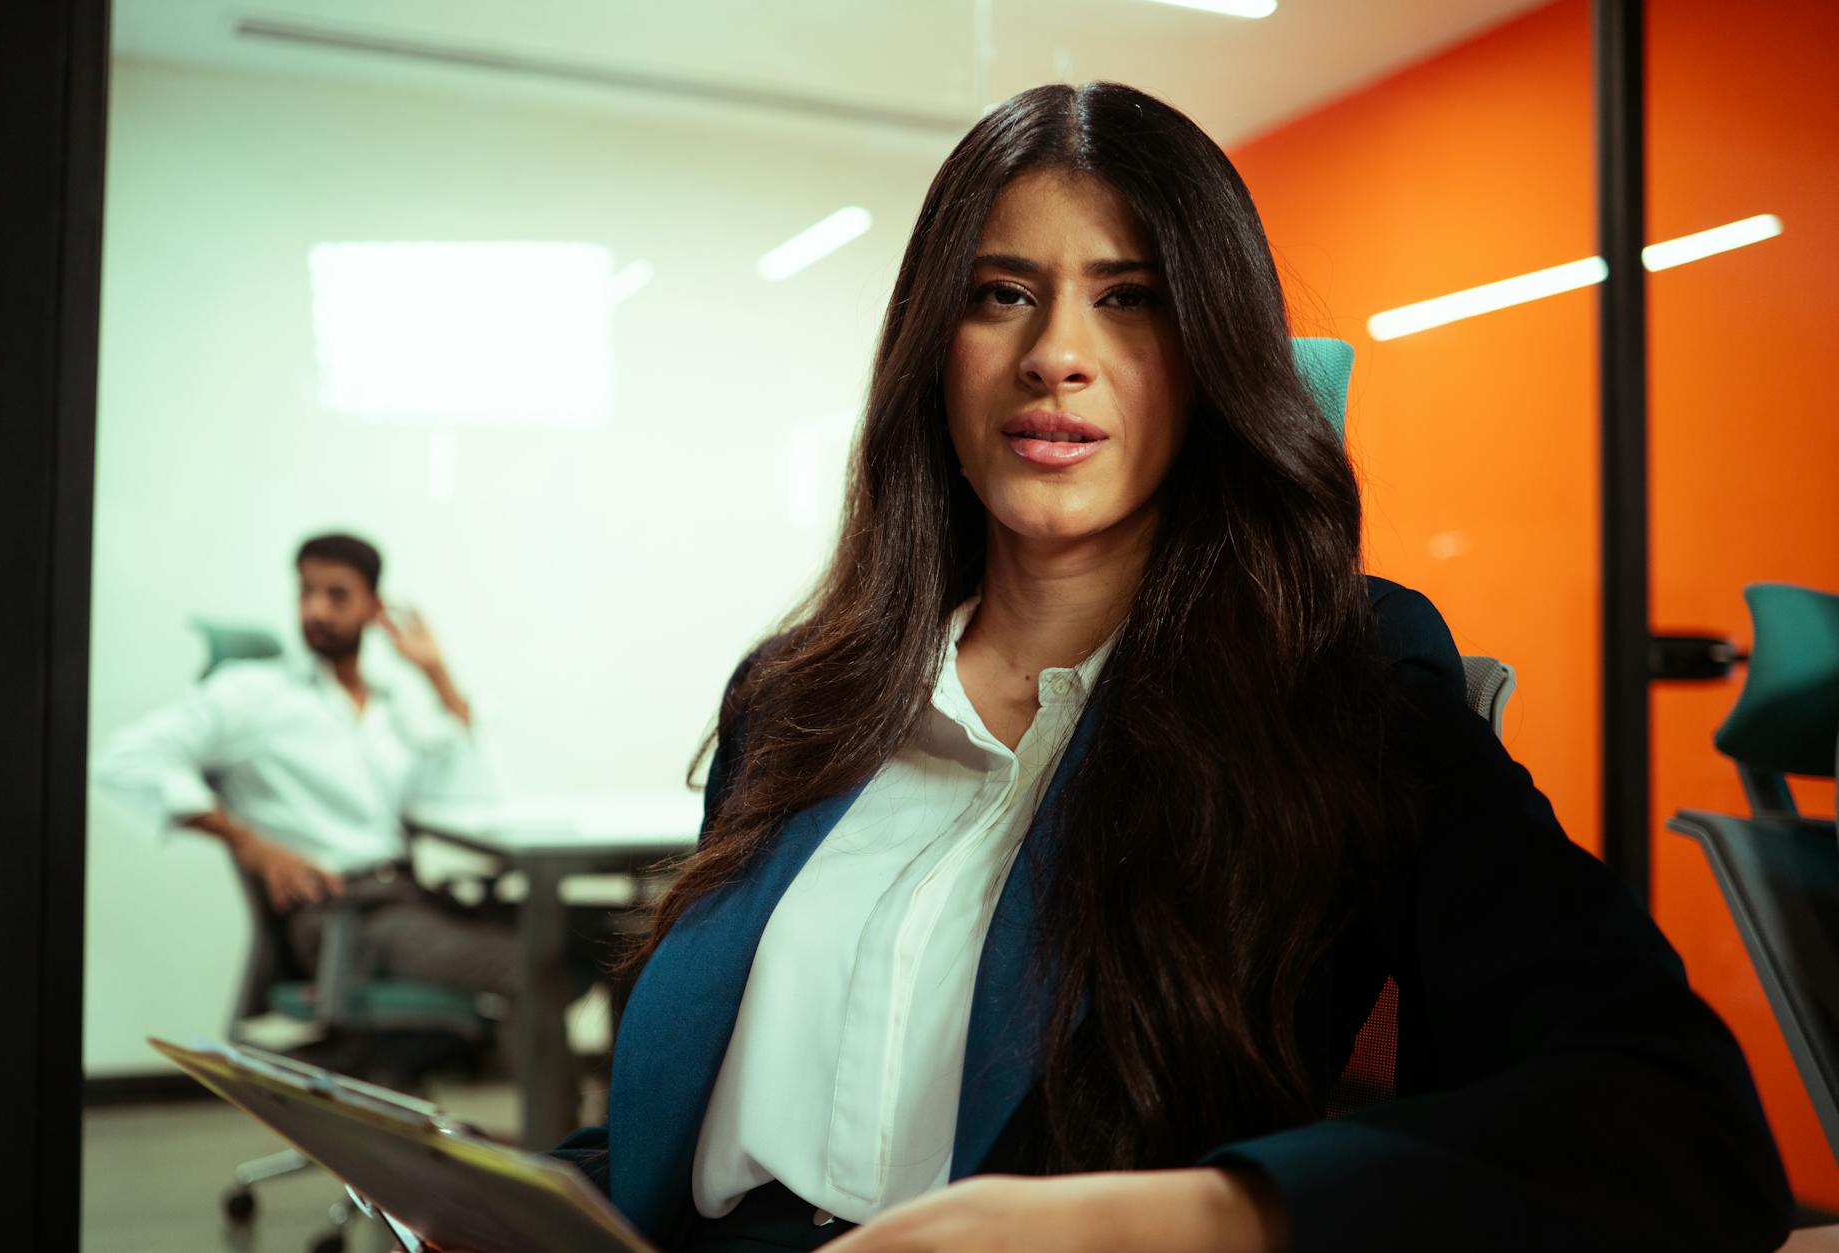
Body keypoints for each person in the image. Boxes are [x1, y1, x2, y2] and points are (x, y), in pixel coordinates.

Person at [550, 83, 1794, 1252]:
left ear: (1210, 358)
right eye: (998, 293)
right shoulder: (795, 693)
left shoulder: (1336, 680)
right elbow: (692, 1112)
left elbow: (1668, 1112)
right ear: (935, 351)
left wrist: (1204, 1218)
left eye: (1128, 295)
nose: (1055, 353)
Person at [95, 531, 518, 999]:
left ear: (375, 610)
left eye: (336, 595)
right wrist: (249, 843)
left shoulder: (391, 708)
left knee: (586, 937)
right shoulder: (255, 694)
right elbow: (124, 760)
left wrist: (436, 674)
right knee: (530, 966)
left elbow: (473, 796)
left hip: (408, 898)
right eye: (305, 591)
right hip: (341, 918)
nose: (315, 610)